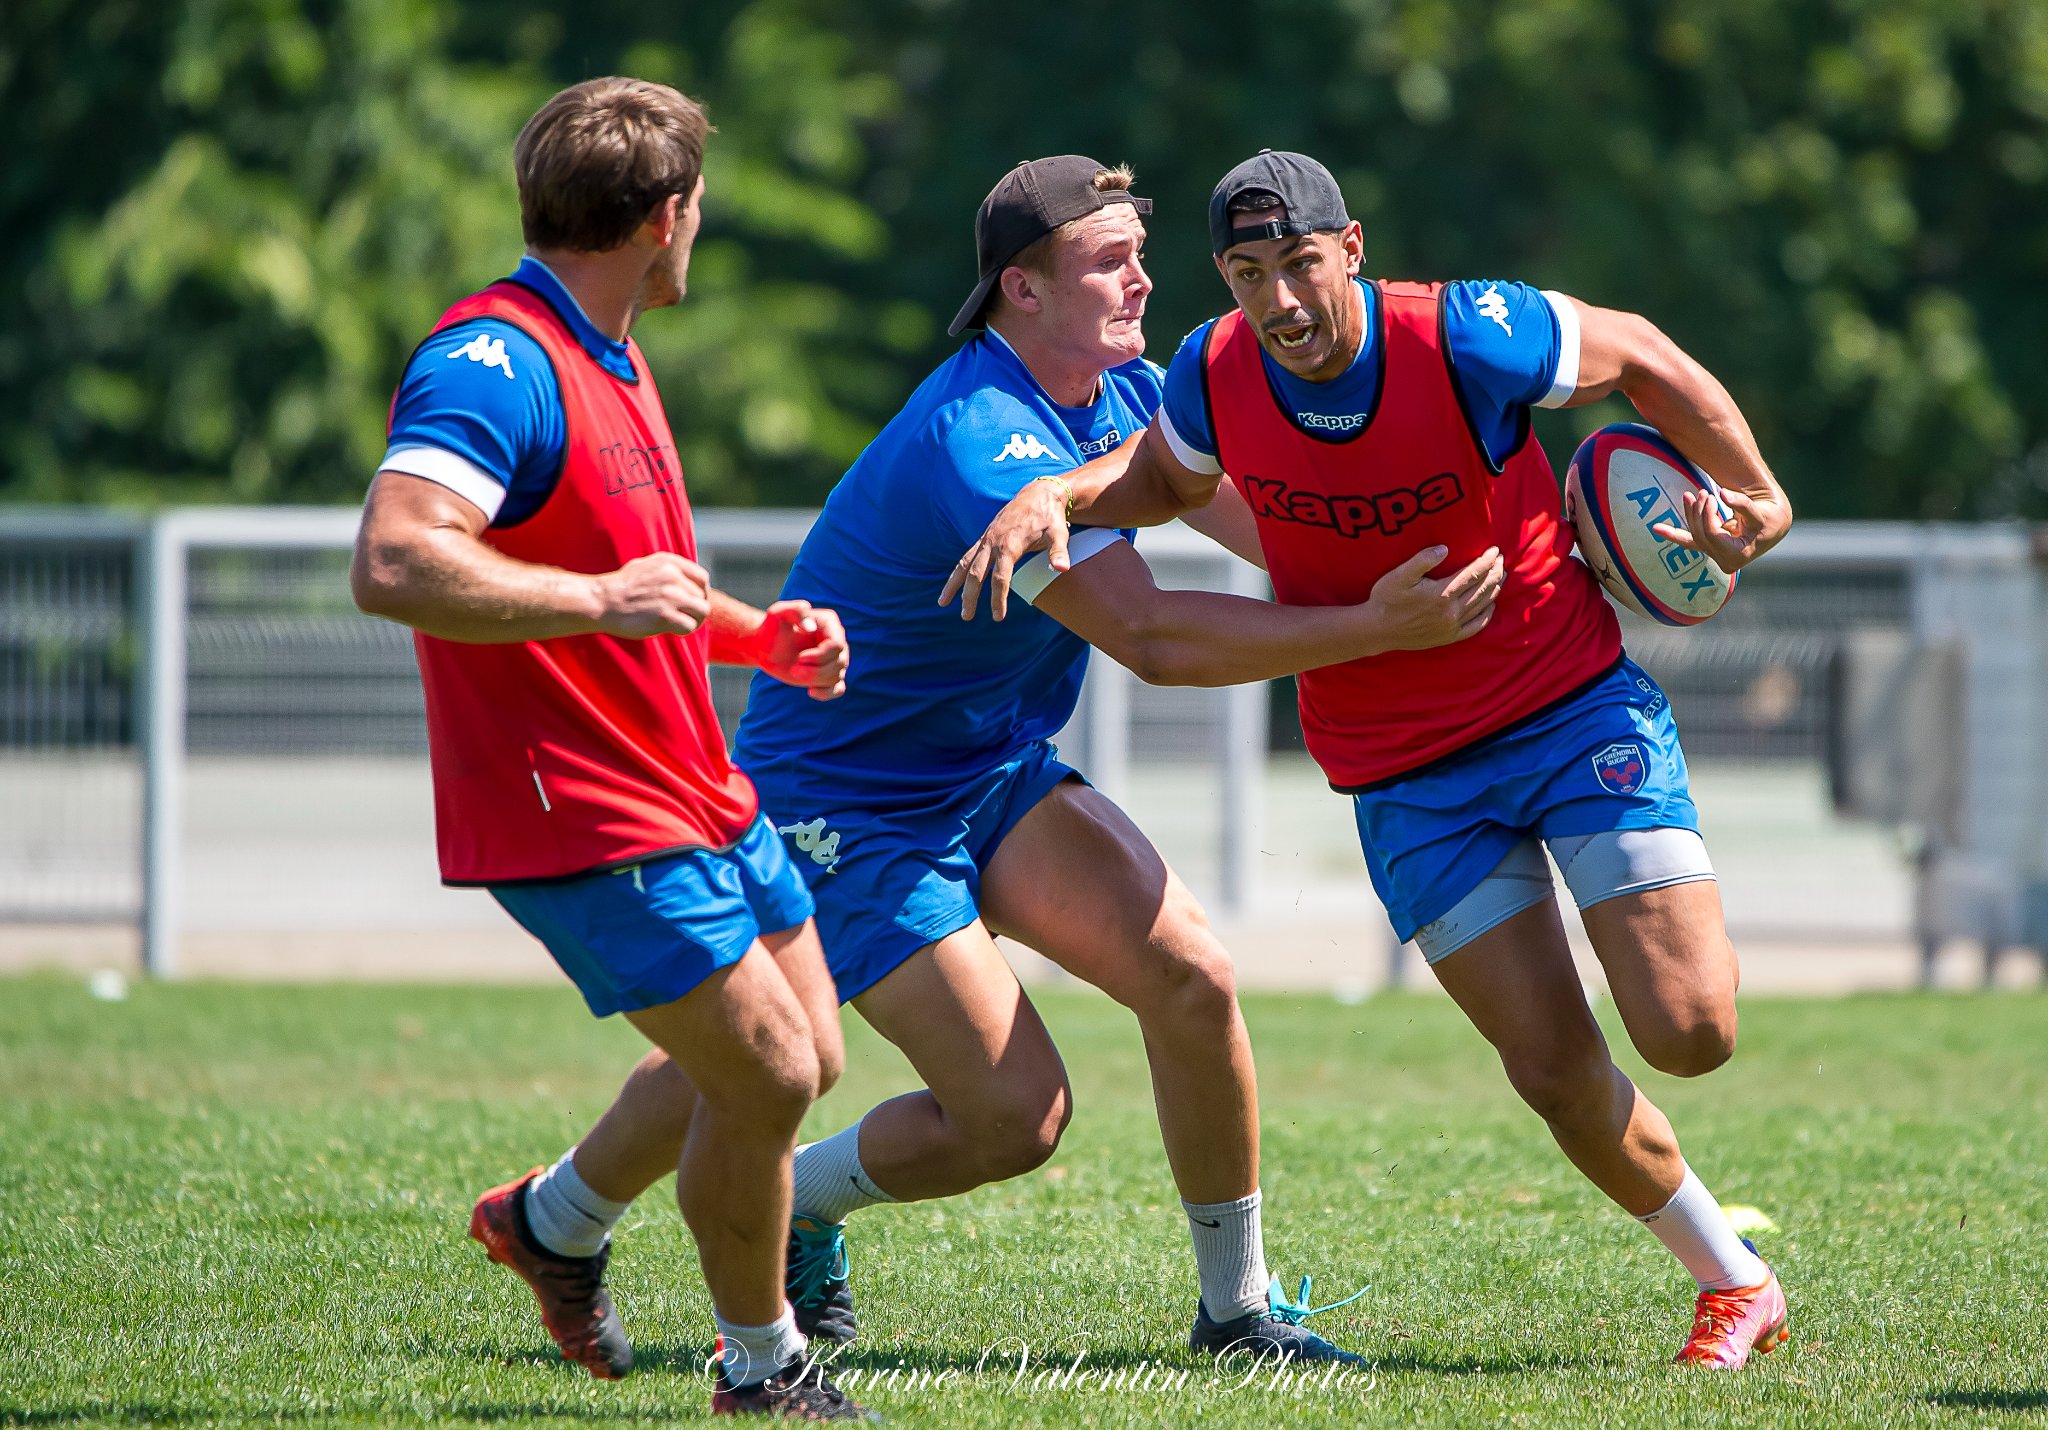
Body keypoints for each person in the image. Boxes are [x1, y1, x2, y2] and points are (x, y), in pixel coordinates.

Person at [521, 154, 1505, 1369]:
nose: (1146, 276)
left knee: (1188, 974)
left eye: (1141, 252)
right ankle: (598, 1214)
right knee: (998, 1114)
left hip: (986, 770)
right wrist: (1372, 630)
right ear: (1021, 291)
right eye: (1109, 259)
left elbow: (1278, 533)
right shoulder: (977, 437)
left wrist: (1468, 562)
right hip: (848, 800)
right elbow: (1148, 635)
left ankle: (1236, 1311)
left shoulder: (1130, 390)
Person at [949, 150, 1797, 1370]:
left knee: (1686, 1027)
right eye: (1247, 274)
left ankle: (1727, 1250)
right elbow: (1161, 480)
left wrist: (1754, 493)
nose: (1278, 301)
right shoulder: (1212, 370)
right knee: (1552, 1069)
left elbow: (1640, 353)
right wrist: (1062, 494)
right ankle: (1734, 1281)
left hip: (1566, 708)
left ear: (1349, 249)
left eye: (1298, 264)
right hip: (1403, 771)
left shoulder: (1466, 333)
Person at [350, 77, 868, 1420]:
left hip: (695, 780)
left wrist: (762, 639)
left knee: (807, 1051)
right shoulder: (497, 358)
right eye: (700, 210)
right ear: (666, 216)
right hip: (580, 804)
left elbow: (638, 580)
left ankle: (552, 1220)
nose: (701, 232)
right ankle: (763, 1368)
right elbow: (399, 556)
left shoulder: (613, 352)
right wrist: (595, 600)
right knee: (759, 1069)